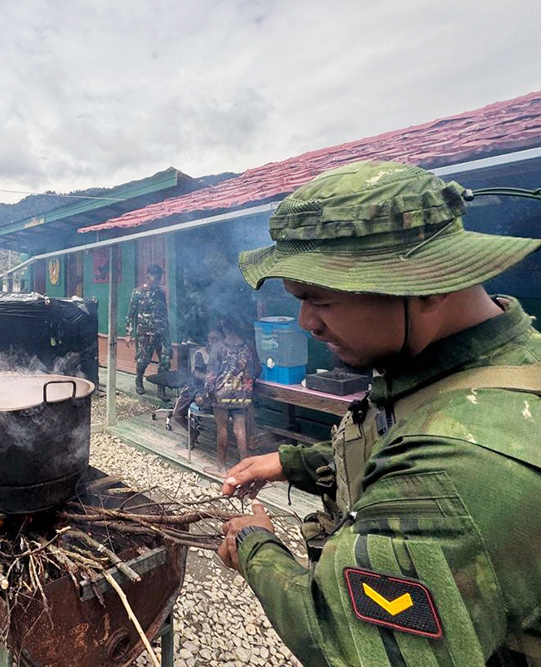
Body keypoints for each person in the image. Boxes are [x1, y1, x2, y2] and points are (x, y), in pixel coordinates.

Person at [215, 160, 541, 666]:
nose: (306, 322)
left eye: (319, 299)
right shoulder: (473, 363)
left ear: (427, 285)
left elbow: (341, 638)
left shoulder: (455, 472)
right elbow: (400, 432)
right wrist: (295, 463)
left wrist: (256, 545)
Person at [202, 317, 258, 469]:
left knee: (222, 428)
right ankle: (245, 466)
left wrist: (206, 394)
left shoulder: (218, 347)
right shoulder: (249, 346)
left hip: (222, 395)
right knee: (240, 429)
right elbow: (256, 369)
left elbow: (211, 374)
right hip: (242, 395)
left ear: (224, 327)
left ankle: (221, 466)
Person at [126, 264, 172, 400]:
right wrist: (129, 333)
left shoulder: (160, 293)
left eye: (159, 277)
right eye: (154, 276)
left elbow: (164, 314)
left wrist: (168, 337)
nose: (157, 279)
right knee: (143, 361)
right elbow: (130, 314)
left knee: (165, 361)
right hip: (145, 334)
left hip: (162, 333)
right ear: (147, 276)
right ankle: (139, 380)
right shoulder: (138, 292)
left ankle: (161, 389)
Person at [171, 327, 223, 429]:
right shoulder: (201, 353)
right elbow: (197, 373)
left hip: (218, 388)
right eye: (211, 338)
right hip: (197, 385)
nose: (214, 341)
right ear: (207, 339)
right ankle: (193, 431)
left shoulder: (227, 354)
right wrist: (209, 379)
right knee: (177, 414)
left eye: (217, 339)